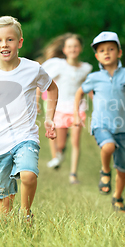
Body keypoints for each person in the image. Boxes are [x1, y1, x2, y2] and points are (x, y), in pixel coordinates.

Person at [0, 16, 58, 219]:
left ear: (19, 42)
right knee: (4, 203)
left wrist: (49, 117)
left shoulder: (33, 69)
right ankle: (10, 232)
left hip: (25, 136)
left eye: (10, 39)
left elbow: (52, 89)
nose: (5, 44)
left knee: (28, 175)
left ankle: (26, 213)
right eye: (0, 40)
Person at [73, 31, 125, 213]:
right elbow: (79, 92)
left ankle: (117, 197)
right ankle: (105, 171)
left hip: (121, 128)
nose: (107, 53)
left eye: (111, 49)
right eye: (102, 50)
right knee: (108, 147)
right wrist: (76, 114)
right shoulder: (94, 77)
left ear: (119, 52)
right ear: (97, 55)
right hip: (101, 124)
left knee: (123, 169)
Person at [38, 34, 92, 184]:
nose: (72, 49)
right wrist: (37, 100)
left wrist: (98, 103)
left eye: (75, 46)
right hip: (60, 107)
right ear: (64, 50)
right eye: (69, 46)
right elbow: (44, 81)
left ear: (80, 48)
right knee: (60, 145)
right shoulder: (59, 66)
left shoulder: (86, 68)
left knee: (76, 142)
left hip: (77, 108)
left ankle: (73, 175)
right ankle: (58, 154)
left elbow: (88, 88)